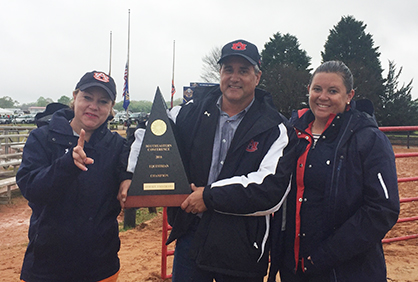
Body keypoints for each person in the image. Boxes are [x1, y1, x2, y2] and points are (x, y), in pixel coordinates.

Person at [124, 39, 297, 281]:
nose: (234, 77)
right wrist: (131, 175)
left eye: (243, 71)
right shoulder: (188, 112)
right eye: (228, 69)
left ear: (257, 77)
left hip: (243, 248)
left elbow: (270, 190)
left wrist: (209, 197)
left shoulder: (277, 128)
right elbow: (150, 132)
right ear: (220, 73)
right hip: (191, 241)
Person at [268, 61, 400, 282]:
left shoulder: (368, 139)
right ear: (308, 89)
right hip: (293, 267)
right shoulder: (291, 135)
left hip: (347, 271)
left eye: (333, 91)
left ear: (349, 96)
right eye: (317, 89)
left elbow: (382, 209)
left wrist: (324, 257)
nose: (323, 97)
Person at [17, 71, 132, 282]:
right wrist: (67, 164)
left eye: (102, 101)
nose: (94, 106)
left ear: (111, 107)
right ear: (75, 97)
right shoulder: (42, 138)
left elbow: (132, 168)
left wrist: (128, 177)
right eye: (87, 97)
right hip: (47, 267)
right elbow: (31, 188)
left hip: (101, 267)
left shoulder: (118, 145)